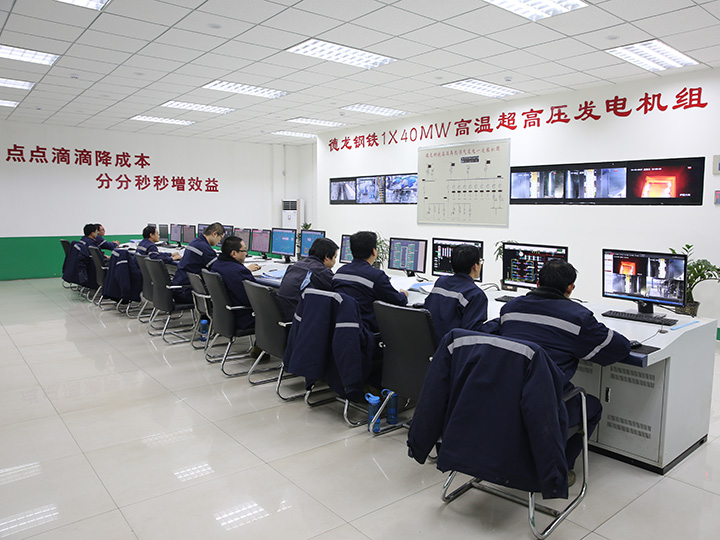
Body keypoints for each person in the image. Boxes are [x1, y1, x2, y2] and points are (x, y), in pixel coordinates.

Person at [494, 259, 631, 485]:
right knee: (592, 406)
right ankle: (560, 470)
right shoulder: (578, 317)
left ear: (538, 283)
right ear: (570, 287)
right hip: (543, 408)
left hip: (502, 401)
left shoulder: (509, 309)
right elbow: (618, 348)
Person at [332, 231, 408, 333]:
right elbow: (397, 301)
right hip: (366, 330)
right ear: (374, 251)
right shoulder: (376, 276)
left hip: (341, 328)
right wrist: (404, 294)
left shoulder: (339, 272)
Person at [423, 243, 488, 341]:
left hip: (432, 343)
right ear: (475, 266)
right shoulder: (476, 294)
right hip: (451, 346)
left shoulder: (441, 282)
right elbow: (472, 332)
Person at [277, 237, 338, 321]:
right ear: (327, 257)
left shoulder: (295, 265)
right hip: (299, 319)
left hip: (284, 316)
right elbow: (338, 290)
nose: (334, 262)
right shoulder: (321, 271)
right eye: (335, 257)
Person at [212, 235, 261, 330]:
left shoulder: (217, 265)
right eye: (244, 250)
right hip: (242, 318)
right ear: (233, 253)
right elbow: (254, 299)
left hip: (224, 317)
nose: (246, 253)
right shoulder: (239, 272)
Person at [171, 222, 224, 304]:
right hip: (186, 292)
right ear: (214, 234)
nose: (219, 241)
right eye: (220, 238)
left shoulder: (194, 242)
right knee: (221, 294)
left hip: (178, 288)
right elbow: (218, 269)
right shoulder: (205, 249)